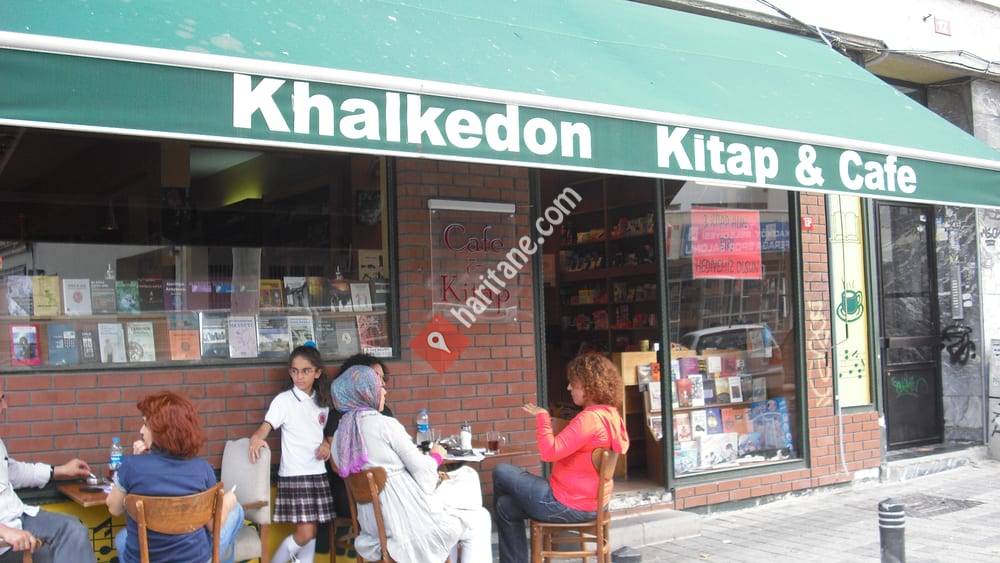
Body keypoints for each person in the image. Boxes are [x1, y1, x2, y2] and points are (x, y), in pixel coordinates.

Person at [330, 365, 492, 563]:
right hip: (409, 522)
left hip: (374, 529)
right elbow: (423, 473)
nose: (385, 392)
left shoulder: (339, 437)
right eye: (380, 387)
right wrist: (437, 456)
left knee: (466, 491)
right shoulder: (384, 425)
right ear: (365, 392)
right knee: (479, 516)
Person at [493, 353, 630, 563]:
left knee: (501, 471)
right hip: (596, 505)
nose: (568, 388)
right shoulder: (612, 416)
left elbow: (549, 453)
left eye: (573, 383)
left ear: (589, 386)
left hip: (565, 504)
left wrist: (543, 417)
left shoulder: (589, 419)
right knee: (505, 506)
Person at [106, 391, 243, 563]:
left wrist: (135, 463)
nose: (141, 431)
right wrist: (229, 501)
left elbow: (114, 508)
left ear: (161, 430)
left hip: (142, 559)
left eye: (145, 424)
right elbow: (212, 526)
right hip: (194, 560)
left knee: (122, 539)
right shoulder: (203, 469)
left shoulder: (131, 466)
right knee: (237, 510)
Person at [249, 345, 334, 563]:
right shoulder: (284, 400)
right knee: (305, 533)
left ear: (317, 372)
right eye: (294, 371)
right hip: (295, 474)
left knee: (312, 533)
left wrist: (326, 445)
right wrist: (257, 437)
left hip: (317, 474)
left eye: (306, 371)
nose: (299, 376)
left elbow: (326, 435)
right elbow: (266, 426)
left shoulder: (323, 402)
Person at [0, 385, 94, 563]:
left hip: (20, 517)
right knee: (58, 555)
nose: (5, 406)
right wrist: (5, 531)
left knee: (74, 532)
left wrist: (61, 470)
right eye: (0, 400)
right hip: (5, 539)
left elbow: (13, 471)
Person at [325, 354, 393, 525]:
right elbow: (337, 465)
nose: (382, 384)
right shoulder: (337, 416)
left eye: (382, 378)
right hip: (352, 493)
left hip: (386, 487)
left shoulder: (385, 412)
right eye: (376, 377)